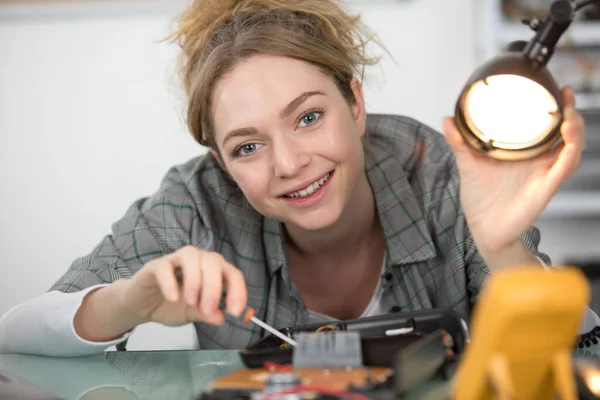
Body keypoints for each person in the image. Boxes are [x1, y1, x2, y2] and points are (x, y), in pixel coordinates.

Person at [0, 0, 597, 356]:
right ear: (221, 161)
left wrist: (499, 246)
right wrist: (129, 302)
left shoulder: (438, 169)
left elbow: (583, 348)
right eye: (248, 146)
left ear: (356, 105)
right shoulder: (196, 201)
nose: (287, 164)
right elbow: (17, 332)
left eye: (309, 117)